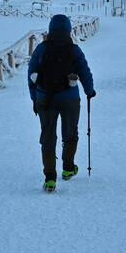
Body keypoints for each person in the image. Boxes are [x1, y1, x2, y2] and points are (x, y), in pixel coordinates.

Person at [28, 14, 96, 192]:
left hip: (45, 97)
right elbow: (84, 71)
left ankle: (50, 178)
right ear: (68, 30)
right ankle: (67, 169)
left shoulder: (41, 48)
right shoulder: (74, 49)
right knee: (70, 132)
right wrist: (90, 91)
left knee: (48, 136)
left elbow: (31, 73)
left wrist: (34, 97)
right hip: (70, 97)